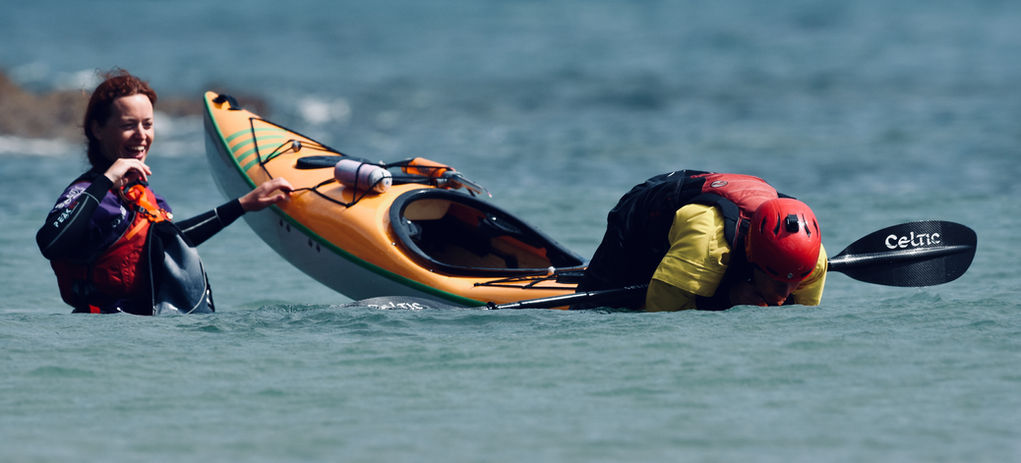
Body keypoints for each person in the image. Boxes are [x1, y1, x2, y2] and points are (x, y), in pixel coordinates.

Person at [36, 69, 292, 315]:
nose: (141, 135)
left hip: (147, 331)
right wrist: (106, 180)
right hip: (102, 332)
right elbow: (50, 242)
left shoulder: (143, 197)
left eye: (147, 124)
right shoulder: (86, 193)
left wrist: (243, 205)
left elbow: (170, 242)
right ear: (97, 129)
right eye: (128, 125)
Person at [577, 169, 827, 311]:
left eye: (795, 280)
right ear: (752, 255)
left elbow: (799, 318)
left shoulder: (813, 261)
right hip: (647, 213)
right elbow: (661, 314)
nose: (786, 292)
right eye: (776, 279)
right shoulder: (706, 243)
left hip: (720, 193)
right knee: (595, 311)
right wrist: (728, 299)